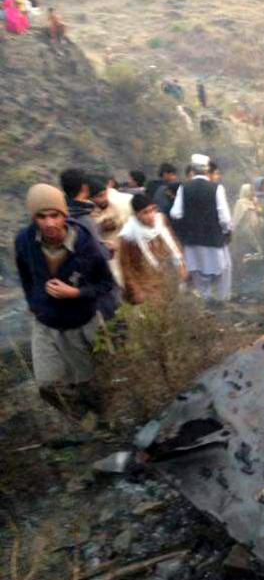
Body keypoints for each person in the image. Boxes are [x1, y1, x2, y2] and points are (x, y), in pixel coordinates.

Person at [15, 184, 115, 416]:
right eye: (41, 216)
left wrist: (75, 293)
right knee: (48, 386)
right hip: (46, 322)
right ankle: (86, 422)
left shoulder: (85, 244)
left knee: (92, 383)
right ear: (33, 217)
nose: (49, 223)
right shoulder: (25, 241)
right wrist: (33, 303)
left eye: (54, 215)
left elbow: (106, 284)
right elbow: (25, 274)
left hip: (82, 320)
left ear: (64, 215)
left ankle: (104, 425)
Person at [170, 153, 233, 303]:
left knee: (198, 271)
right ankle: (221, 300)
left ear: (192, 169)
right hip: (213, 238)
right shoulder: (216, 188)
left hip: (192, 239)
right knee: (221, 270)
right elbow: (224, 218)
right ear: (206, 170)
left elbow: (176, 213)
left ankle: (205, 301)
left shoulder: (183, 188)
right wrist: (227, 231)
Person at [119, 194, 186, 305]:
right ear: (136, 215)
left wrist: (182, 265)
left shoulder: (161, 220)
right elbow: (126, 266)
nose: (151, 215)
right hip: (146, 281)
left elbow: (173, 241)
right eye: (145, 212)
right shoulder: (128, 235)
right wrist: (136, 290)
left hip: (167, 274)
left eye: (153, 210)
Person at [87, 176, 127, 285]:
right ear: (90, 198)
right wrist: (100, 227)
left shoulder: (116, 206)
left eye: (105, 194)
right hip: (103, 259)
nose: (104, 198)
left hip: (122, 254)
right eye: (99, 196)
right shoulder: (87, 214)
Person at [232, 183, 263, 293]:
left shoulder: (253, 202)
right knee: (246, 260)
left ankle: (254, 288)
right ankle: (244, 289)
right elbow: (236, 220)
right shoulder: (240, 203)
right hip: (245, 236)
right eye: (250, 190)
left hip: (256, 235)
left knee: (255, 259)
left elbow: (260, 213)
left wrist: (256, 205)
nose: (252, 192)